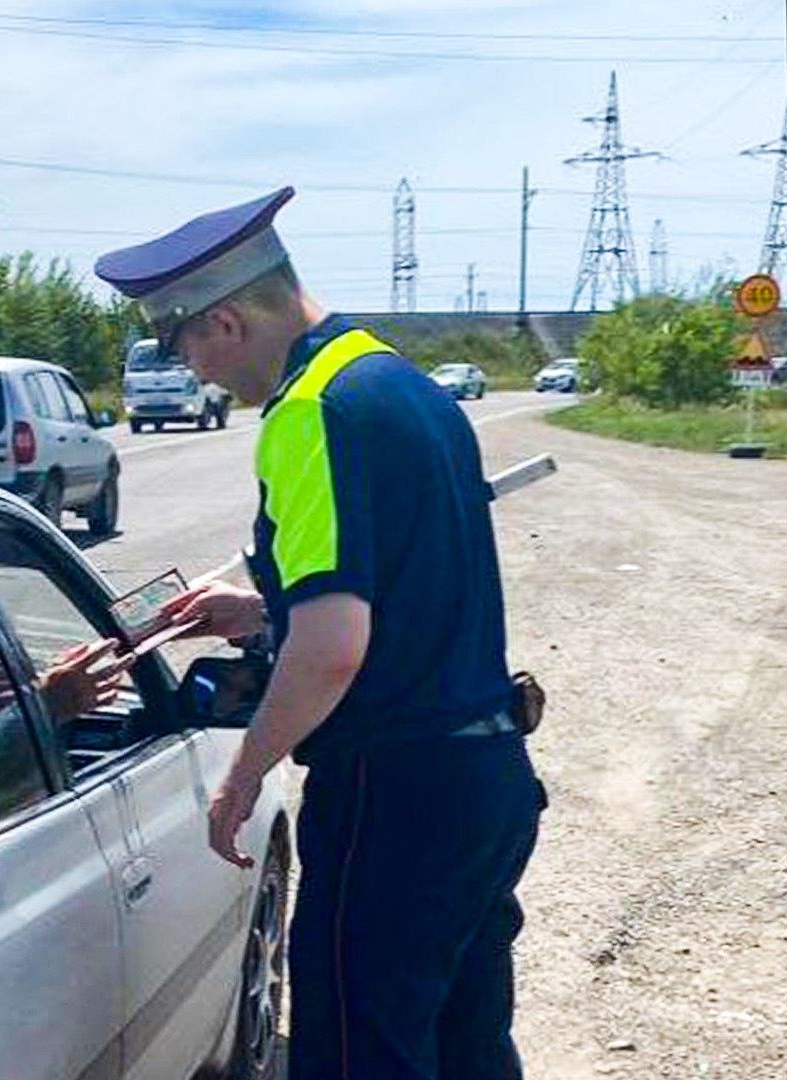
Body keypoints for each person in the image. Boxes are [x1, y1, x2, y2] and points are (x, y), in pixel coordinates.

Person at [94, 188, 546, 1080]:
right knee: (465, 1046)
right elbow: (402, 590)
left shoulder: (307, 413)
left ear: (222, 320)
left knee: (357, 1056)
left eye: (184, 349)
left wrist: (243, 776)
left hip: (396, 794)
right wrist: (264, 611)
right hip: (483, 782)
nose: (196, 375)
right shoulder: (394, 381)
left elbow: (335, 649)